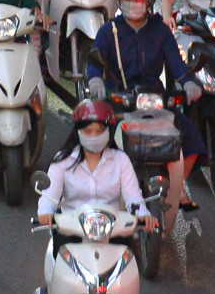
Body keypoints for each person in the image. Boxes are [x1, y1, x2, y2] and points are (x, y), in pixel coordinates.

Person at [88, 0, 203, 215]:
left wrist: (189, 83)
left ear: (149, 3)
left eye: (139, 0)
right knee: (91, 136)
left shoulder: (161, 31)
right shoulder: (109, 31)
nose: (133, 4)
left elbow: (177, 63)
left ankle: (178, 186)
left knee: (193, 139)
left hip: (154, 99)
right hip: (118, 99)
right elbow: (95, 62)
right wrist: (96, 80)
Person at [36, 99, 150, 232]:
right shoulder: (63, 160)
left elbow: (133, 197)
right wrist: (45, 212)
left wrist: (143, 214)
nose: (94, 136)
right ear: (78, 132)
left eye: (100, 131)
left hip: (113, 231)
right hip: (72, 231)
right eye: (88, 131)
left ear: (108, 131)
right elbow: (50, 196)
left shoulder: (121, 160)